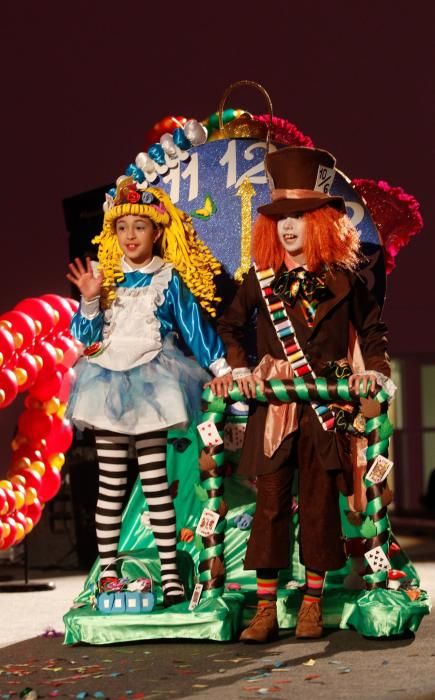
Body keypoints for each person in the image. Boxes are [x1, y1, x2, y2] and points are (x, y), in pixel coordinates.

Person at [209, 146, 392, 641]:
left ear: (323, 221)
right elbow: (228, 326)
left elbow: (373, 333)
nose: (289, 227)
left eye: (300, 217)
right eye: (281, 218)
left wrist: (373, 371)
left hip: (326, 411)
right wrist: (241, 367)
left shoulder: (348, 280)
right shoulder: (259, 280)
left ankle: (312, 601)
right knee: (269, 505)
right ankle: (265, 607)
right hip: (275, 412)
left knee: (317, 505)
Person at [66, 180, 230, 607]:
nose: (131, 235)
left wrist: (222, 367)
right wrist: (88, 302)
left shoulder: (167, 277)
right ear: (114, 233)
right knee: (110, 484)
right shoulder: (106, 276)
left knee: (156, 483)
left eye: (140, 226)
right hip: (106, 384)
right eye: (123, 228)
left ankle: (171, 575)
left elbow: (194, 326)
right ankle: (108, 573)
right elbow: (86, 337)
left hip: (153, 382)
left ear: (157, 231)